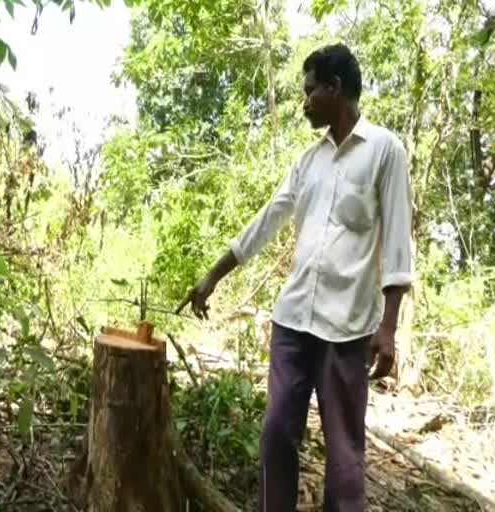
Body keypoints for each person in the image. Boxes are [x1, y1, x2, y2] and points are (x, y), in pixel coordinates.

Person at [176, 43, 413, 511]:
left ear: (335, 88)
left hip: (346, 330)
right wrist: (213, 276)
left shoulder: (384, 151)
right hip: (293, 323)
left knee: (345, 456)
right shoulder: (309, 161)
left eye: (309, 91)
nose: (303, 102)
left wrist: (388, 328)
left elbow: (399, 242)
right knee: (275, 435)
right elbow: (268, 219)